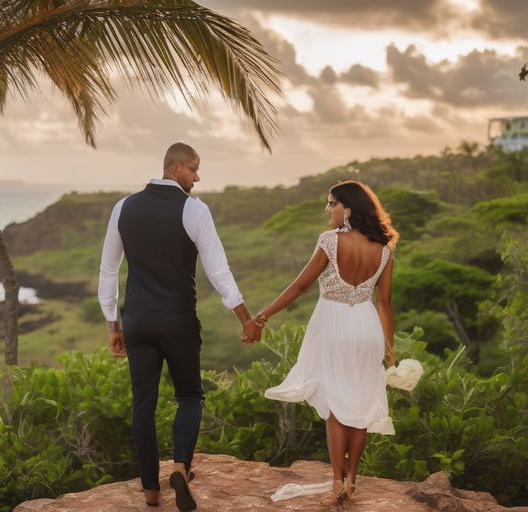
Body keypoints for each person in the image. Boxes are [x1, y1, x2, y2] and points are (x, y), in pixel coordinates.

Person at [98, 142, 256, 511]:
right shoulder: (193, 210)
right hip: (177, 321)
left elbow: (109, 270)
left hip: (137, 320)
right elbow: (219, 271)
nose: (197, 177)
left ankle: (151, 491)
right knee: (189, 396)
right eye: (194, 169)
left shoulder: (123, 208)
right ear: (175, 169)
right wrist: (245, 318)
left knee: (143, 404)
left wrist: (113, 324)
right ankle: (181, 468)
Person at [244, 180, 399, 506]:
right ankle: (352, 482)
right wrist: (389, 347)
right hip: (367, 328)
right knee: (359, 407)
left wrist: (261, 316)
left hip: (333, 326)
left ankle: (335, 482)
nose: (326, 210)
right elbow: (385, 303)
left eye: (331, 204)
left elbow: (299, 286)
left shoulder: (330, 241)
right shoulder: (383, 250)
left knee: (335, 409)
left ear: (349, 210)